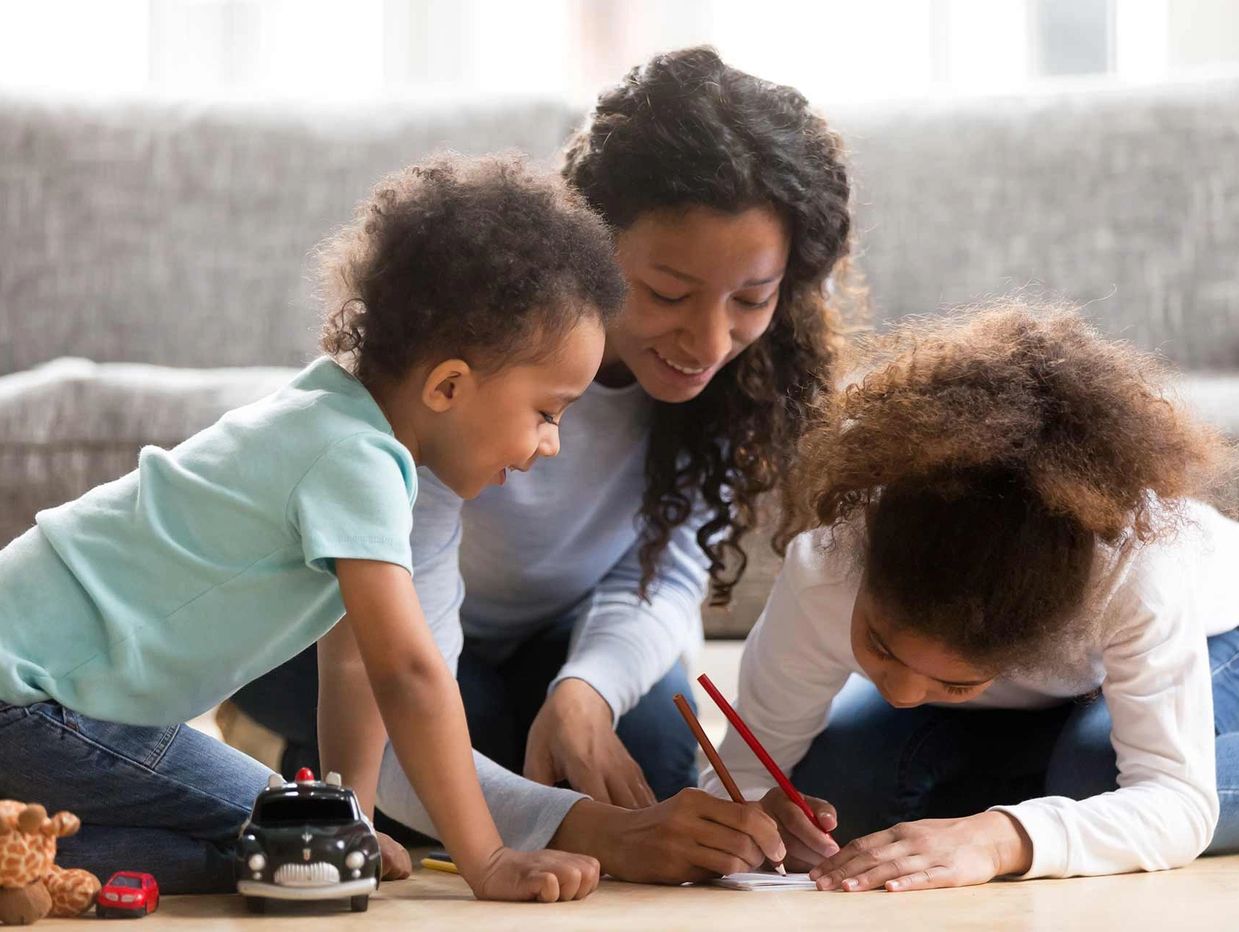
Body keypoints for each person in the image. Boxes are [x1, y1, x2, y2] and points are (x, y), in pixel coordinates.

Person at [232, 45, 859, 883]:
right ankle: (303, 758)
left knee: (649, 761)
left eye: (750, 299)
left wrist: (587, 689)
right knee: (468, 734)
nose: (709, 343)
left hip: (537, 632)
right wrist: (591, 831)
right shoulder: (467, 366)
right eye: (667, 294)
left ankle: (414, 765)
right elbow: (402, 674)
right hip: (341, 628)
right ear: (587, 247)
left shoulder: (733, 382)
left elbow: (663, 572)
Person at [0, 155, 625, 902]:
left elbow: (354, 666)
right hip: (30, 700)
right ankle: (22, 855)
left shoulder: (333, 422)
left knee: (317, 847)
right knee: (292, 850)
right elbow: (408, 673)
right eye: (547, 412)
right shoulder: (354, 458)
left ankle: (22, 848)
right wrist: (485, 857)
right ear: (449, 386)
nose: (550, 443)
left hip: (40, 694)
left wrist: (351, 823)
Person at [702, 306, 1239, 891]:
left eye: (955, 682)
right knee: (838, 791)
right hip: (1035, 703)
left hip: (1217, 634)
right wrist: (752, 812)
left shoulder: (1135, 580)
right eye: (879, 646)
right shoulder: (828, 566)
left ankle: (1043, 791)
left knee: (1094, 776)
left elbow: (1176, 800)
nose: (902, 696)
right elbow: (744, 770)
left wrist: (1000, 839)